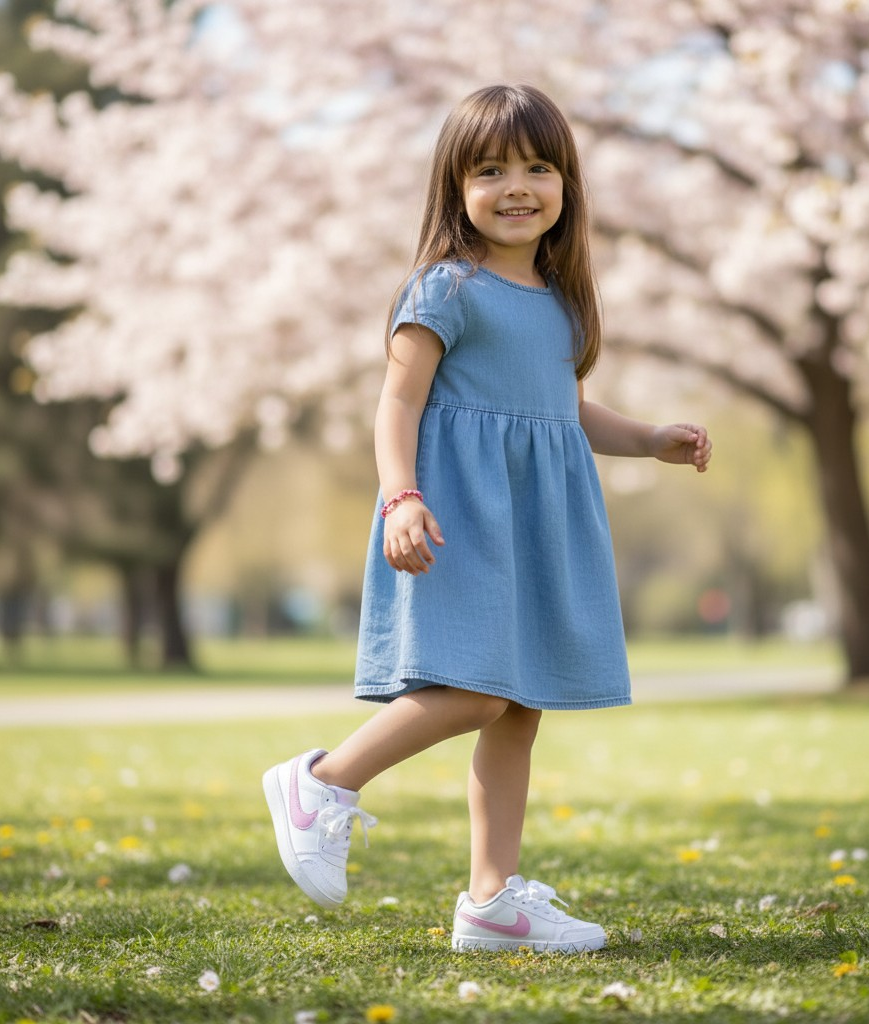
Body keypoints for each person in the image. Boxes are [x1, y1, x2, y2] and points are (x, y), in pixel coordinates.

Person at [263, 83, 712, 953]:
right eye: (493, 168)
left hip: (538, 520)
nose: (519, 185)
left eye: (540, 167)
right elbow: (396, 403)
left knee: (520, 707)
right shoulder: (444, 290)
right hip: (459, 513)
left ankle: (494, 900)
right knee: (472, 689)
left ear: (567, 186)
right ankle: (322, 781)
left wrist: (648, 437)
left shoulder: (561, 300)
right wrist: (401, 495)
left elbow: (564, 410)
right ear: (455, 186)